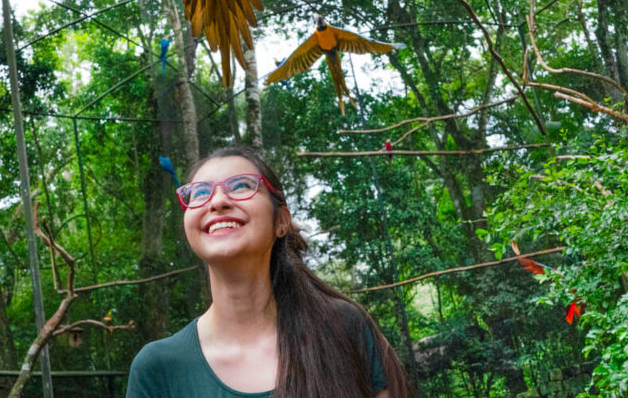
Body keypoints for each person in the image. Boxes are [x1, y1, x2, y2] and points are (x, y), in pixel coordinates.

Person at [126, 147, 416, 398]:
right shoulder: (157, 366)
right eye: (199, 193)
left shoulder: (344, 327)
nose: (216, 202)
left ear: (281, 222)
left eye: (240, 185)